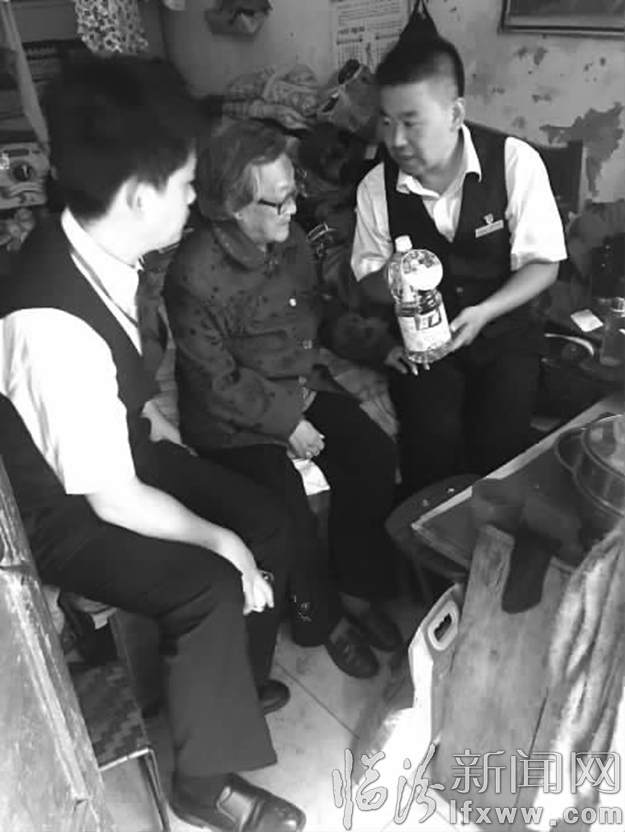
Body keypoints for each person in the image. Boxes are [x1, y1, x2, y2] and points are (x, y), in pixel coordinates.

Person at [0, 55, 306, 832]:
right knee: (209, 579)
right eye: (185, 185)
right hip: (63, 510)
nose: (194, 199)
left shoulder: (101, 246)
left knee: (267, 517)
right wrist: (221, 544)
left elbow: (126, 389)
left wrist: (167, 440)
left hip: (120, 453)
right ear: (140, 196)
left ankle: (224, 692)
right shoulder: (50, 324)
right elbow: (111, 500)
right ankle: (201, 786)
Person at [164, 119, 403, 683]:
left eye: (295, 191)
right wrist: (288, 422)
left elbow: (318, 317)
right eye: (279, 200)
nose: (294, 208)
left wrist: (379, 347)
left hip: (299, 383)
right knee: (285, 508)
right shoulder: (192, 276)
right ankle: (323, 620)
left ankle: (357, 589)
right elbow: (213, 382)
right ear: (231, 207)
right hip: (231, 419)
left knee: (372, 455)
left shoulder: (290, 239)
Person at [351, 36, 567, 496]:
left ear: (454, 114)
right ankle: (424, 534)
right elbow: (366, 284)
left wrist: (486, 311)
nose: (396, 140)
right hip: (422, 344)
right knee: (430, 446)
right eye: (386, 121)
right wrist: (392, 277)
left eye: (411, 122)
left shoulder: (513, 162)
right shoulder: (375, 187)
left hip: (504, 332)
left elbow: (544, 264)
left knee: (499, 449)